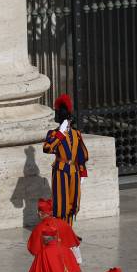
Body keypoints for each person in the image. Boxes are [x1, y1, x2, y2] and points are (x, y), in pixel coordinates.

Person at [43, 94, 89, 226]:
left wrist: (82, 172)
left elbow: (81, 154)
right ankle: (61, 231)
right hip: (60, 170)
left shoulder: (76, 134)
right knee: (61, 204)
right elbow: (47, 148)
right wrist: (60, 134)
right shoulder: (53, 134)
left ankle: (68, 232)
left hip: (74, 171)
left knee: (72, 203)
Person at [28, 198, 83, 265]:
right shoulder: (64, 224)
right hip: (68, 263)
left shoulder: (38, 228)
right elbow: (74, 244)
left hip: (50, 264)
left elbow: (34, 249)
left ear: (40, 213)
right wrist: (78, 260)